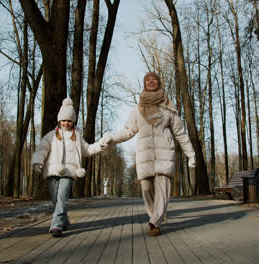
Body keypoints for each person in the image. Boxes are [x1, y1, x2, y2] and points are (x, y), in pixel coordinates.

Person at [105, 72, 195, 236]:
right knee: (146, 189)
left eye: (154, 79)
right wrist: (111, 139)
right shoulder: (138, 109)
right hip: (145, 156)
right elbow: (128, 131)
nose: (151, 81)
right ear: (144, 83)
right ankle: (156, 214)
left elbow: (180, 133)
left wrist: (191, 154)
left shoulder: (168, 106)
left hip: (164, 154)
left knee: (162, 189)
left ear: (159, 82)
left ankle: (156, 222)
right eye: (148, 79)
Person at [32, 98, 108, 238]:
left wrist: (100, 145)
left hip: (69, 172)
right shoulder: (51, 136)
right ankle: (64, 221)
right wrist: (38, 162)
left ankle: (56, 226)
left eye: (69, 120)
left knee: (62, 198)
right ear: (59, 121)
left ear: (73, 121)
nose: (66, 123)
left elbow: (88, 149)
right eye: (64, 120)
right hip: (53, 171)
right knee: (55, 201)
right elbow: (42, 149)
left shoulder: (77, 136)